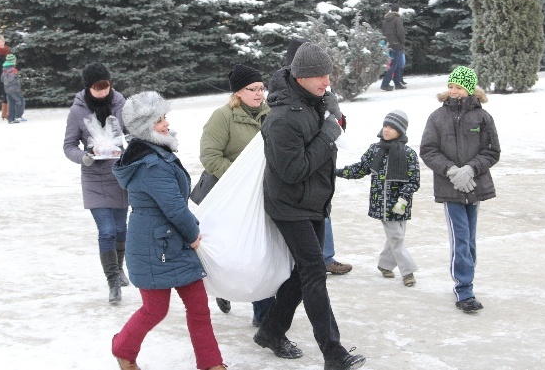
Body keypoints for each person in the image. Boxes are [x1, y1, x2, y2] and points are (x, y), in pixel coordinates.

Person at [256, 42, 366, 370]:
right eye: (318, 75)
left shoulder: (313, 101)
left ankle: (271, 331)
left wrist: (333, 114)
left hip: (315, 199)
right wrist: (329, 132)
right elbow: (292, 171)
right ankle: (334, 353)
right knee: (315, 271)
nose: (325, 80)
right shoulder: (281, 120)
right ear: (300, 77)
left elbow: (332, 127)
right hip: (289, 204)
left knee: (303, 272)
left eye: (327, 73)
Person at [111, 91, 226, 370]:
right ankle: (122, 349)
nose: (166, 124)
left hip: (174, 242)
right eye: (159, 120)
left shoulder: (156, 152)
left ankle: (211, 364)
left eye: (164, 117)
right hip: (155, 246)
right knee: (155, 309)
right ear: (144, 128)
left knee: (198, 306)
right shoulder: (151, 164)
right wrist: (193, 236)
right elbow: (174, 208)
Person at [419, 66, 500, 314]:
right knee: (460, 237)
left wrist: (471, 169)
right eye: (451, 86)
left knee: (470, 239)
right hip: (451, 188)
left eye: (459, 87)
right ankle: (464, 289)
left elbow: (492, 151)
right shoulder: (437, 117)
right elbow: (428, 150)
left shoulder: (482, 117)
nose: (454, 91)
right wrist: (452, 171)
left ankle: (467, 277)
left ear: (470, 89)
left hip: (474, 185)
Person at [199, 63, 275, 326]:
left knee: (258, 253)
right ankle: (223, 290)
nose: (258, 94)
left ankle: (263, 314)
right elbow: (209, 156)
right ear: (237, 93)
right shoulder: (222, 117)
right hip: (229, 196)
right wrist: (238, 177)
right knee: (232, 252)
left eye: (261, 88)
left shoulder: (271, 115)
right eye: (251, 89)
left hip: (262, 195)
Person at [282, 38, 353, 276]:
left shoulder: (322, 92)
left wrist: (336, 113)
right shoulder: (285, 99)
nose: (323, 80)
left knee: (323, 212)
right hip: (296, 177)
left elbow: (338, 128)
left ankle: (326, 257)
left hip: (320, 170)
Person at [63, 62, 129, 305]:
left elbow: (132, 133)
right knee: (107, 231)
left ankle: (119, 268)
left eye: (106, 87)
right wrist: (85, 157)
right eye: (97, 88)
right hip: (93, 177)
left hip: (119, 175)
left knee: (122, 229)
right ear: (88, 88)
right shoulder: (77, 111)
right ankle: (112, 280)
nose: (102, 92)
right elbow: (69, 146)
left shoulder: (121, 104)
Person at [336, 110, 420, 287]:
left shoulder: (408, 154)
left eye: (392, 127)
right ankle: (408, 272)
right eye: (385, 126)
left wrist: (403, 200)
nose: (387, 130)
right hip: (382, 204)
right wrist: (337, 172)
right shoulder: (376, 149)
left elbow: (413, 180)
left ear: (401, 131)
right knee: (396, 237)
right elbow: (360, 168)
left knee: (397, 237)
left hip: (401, 204)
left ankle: (384, 264)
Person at [380, 3, 407, 91]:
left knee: (394, 64)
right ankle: (385, 84)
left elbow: (383, 32)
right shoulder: (397, 19)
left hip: (388, 44)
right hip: (396, 44)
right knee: (394, 64)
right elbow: (400, 32)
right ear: (398, 10)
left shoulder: (385, 20)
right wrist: (402, 41)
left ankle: (397, 83)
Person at [0, 54, 26, 124]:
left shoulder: (4, 69)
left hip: (7, 89)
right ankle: (18, 116)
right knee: (20, 101)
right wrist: (15, 79)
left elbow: (2, 79)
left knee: (11, 103)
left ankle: (11, 119)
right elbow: (11, 78)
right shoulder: (13, 69)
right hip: (14, 89)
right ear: (13, 61)